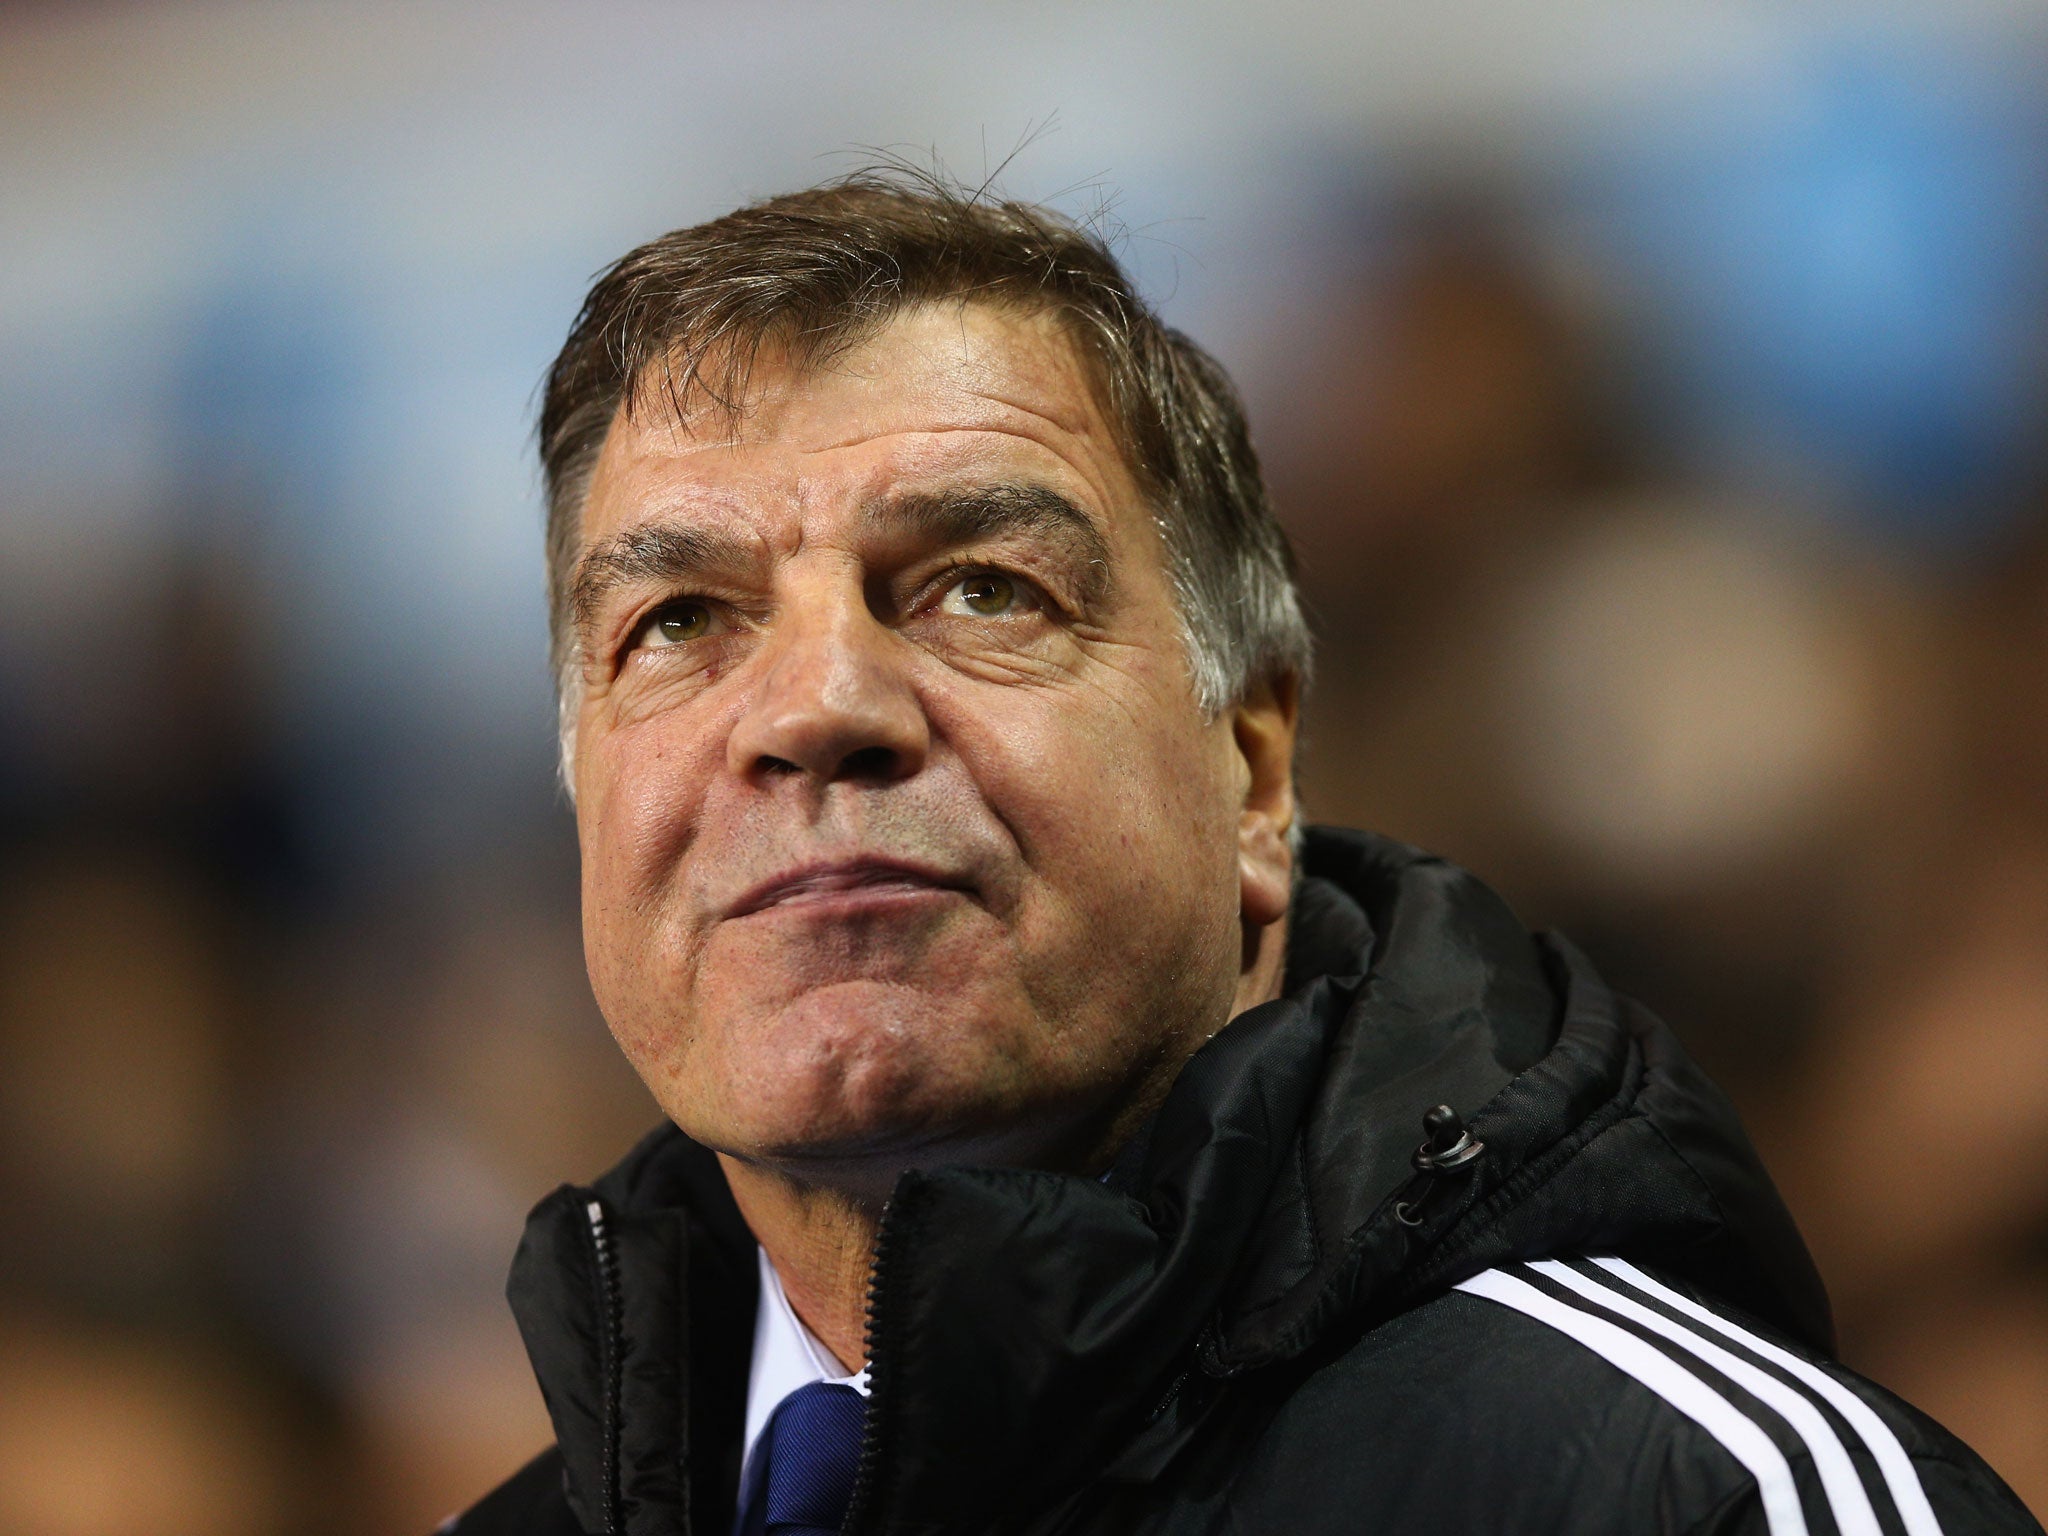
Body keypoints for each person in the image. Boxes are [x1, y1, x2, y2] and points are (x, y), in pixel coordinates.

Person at [448, 173, 2040, 1535]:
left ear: (1254, 766)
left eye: (982, 588)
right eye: (679, 622)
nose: (817, 707)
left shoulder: (1683, 1498)